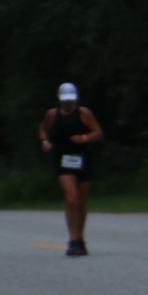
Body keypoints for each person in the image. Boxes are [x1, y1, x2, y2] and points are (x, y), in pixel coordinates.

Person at [39, 82, 104, 256]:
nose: (68, 104)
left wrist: (84, 138)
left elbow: (98, 132)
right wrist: (45, 141)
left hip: (82, 158)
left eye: (70, 101)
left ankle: (80, 239)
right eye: (65, 101)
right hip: (63, 159)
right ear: (60, 100)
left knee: (81, 202)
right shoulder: (52, 115)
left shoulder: (83, 113)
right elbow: (43, 129)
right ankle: (73, 240)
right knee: (71, 198)